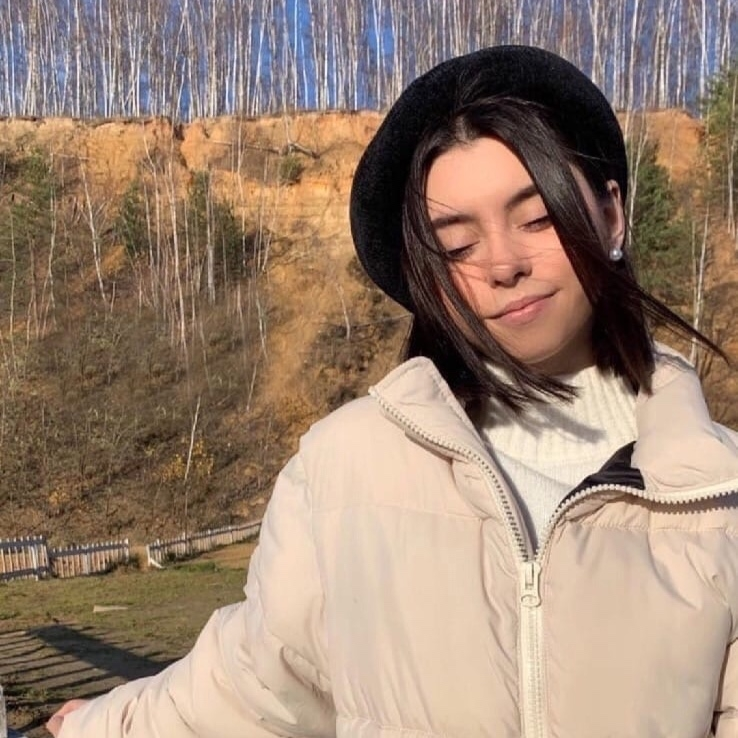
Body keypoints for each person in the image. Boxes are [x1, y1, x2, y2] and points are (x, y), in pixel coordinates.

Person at [48, 45, 738, 738]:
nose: (503, 264)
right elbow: (251, 687)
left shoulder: (719, 494)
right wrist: (96, 727)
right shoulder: (342, 471)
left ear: (612, 214)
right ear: (427, 278)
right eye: (458, 246)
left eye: (536, 219)